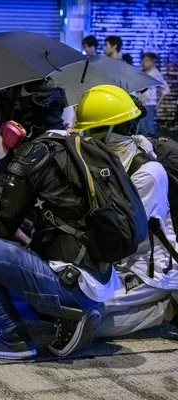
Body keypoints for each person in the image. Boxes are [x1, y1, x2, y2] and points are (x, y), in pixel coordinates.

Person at [0, 81, 123, 360]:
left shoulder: (34, 155)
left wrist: (3, 159)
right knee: (14, 266)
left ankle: (10, 337)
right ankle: (70, 316)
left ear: (16, 126)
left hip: (70, 285)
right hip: (100, 282)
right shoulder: (83, 146)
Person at [73, 85, 178, 339]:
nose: (85, 137)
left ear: (109, 130)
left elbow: (124, 236)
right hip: (119, 263)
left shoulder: (148, 172)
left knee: (87, 315)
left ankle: (168, 308)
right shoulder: (109, 161)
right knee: (66, 305)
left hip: (150, 267)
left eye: (89, 131)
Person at [136, 53, 170, 136]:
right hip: (139, 104)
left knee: (148, 128)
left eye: (147, 60)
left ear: (152, 62)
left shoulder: (155, 74)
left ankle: (152, 146)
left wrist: (158, 103)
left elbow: (166, 88)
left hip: (149, 104)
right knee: (140, 128)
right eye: (142, 60)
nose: (144, 62)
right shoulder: (140, 73)